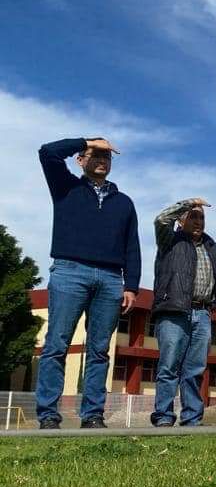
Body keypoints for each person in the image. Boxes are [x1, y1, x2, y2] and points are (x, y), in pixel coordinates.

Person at [35, 137, 141, 429]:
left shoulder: (124, 202)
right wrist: (86, 140)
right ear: (80, 160)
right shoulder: (65, 187)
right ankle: (48, 415)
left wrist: (131, 285)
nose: (102, 160)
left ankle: (93, 414)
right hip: (70, 272)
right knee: (57, 344)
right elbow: (47, 152)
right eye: (95, 155)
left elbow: (132, 245)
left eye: (107, 156)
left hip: (110, 278)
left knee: (99, 350)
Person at [150, 198, 216, 427]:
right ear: (181, 220)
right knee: (168, 367)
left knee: (195, 369)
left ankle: (192, 420)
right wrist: (190, 203)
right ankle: (164, 418)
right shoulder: (169, 240)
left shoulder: (211, 246)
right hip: (174, 311)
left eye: (201, 217)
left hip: (203, 313)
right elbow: (160, 219)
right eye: (193, 216)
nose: (198, 221)